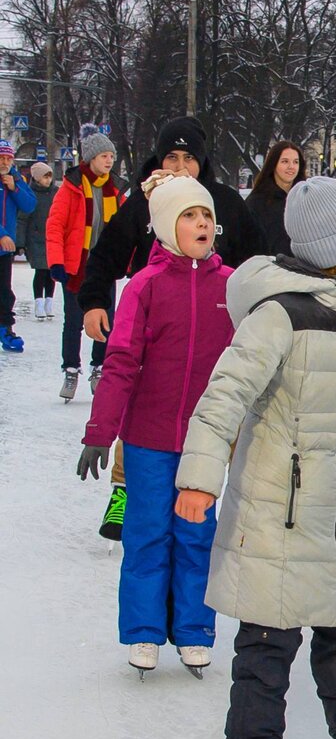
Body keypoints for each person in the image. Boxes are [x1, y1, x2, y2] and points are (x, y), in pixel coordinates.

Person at [174, 177, 336, 739]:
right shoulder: (276, 316)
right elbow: (223, 397)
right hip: (277, 506)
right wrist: (198, 477)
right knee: (268, 640)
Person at [75, 116, 264, 542]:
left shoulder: (226, 204)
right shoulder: (143, 204)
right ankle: (125, 491)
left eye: (188, 159)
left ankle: (203, 503)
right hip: (150, 328)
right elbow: (105, 256)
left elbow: (258, 261)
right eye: (171, 158)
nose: (179, 167)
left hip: (210, 335)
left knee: (207, 420)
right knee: (142, 405)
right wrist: (91, 303)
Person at [75, 176, 233, 679]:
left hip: (204, 442)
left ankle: (192, 630)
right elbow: (120, 362)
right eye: (189, 216)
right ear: (166, 226)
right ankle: (144, 631)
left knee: (195, 535)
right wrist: (101, 430)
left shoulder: (230, 286)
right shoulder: (145, 285)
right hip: (146, 436)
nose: (201, 223)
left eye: (205, 215)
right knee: (146, 534)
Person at [46, 126, 125, 400]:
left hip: (105, 268)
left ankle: (99, 367)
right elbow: (55, 226)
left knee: (107, 321)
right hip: (77, 267)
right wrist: (56, 262)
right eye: (104, 155)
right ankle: (71, 368)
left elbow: (126, 228)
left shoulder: (115, 190)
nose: (109, 161)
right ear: (91, 158)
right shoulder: (72, 187)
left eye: (111, 156)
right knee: (74, 321)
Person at [0, 139, 37, 352]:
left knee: (4, 291)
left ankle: (5, 328)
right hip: (4, 240)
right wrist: (2, 234)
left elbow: (29, 205)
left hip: (5, 249)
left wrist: (14, 188)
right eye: (1, 158)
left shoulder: (15, 178)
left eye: (8, 158)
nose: (5, 162)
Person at [246, 141, 305, 257]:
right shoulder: (256, 202)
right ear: (273, 164)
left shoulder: (306, 198)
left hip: (304, 270)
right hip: (270, 269)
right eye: (285, 161)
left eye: (296, 162)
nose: (291, 167)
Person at [16, 161, 56, 320]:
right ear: (37, 178)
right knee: (41, 271)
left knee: (51, 272)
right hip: (36, 239)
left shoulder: (55, 193)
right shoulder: (30, 194)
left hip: (52, 238)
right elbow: (22, 219)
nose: (48, 180)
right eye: (45, 177)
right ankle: (39, 303)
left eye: (49, 177)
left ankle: (49, 302)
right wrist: (20, 243)